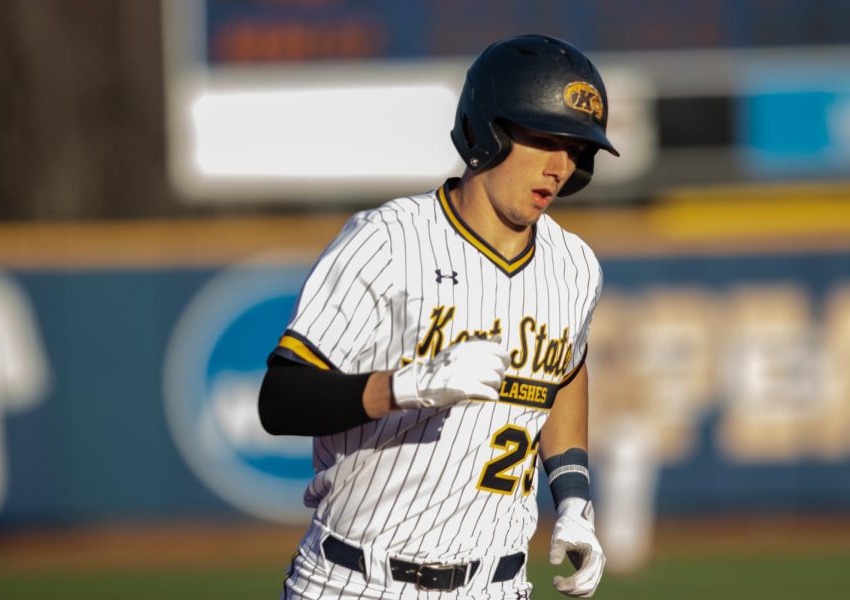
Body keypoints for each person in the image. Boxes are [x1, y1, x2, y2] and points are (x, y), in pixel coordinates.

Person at [259, 33, 619, 599]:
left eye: (575, 149)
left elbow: (566, 372)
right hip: (357, 579)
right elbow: (280, 399)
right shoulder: (387, 241)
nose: (559, 166)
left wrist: (572, 496)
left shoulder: (574, 266)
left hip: (496, 584)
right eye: (544, 139)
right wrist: (405, 386)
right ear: (488, 131)